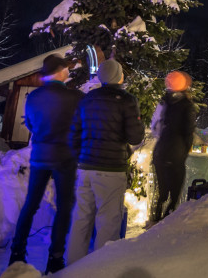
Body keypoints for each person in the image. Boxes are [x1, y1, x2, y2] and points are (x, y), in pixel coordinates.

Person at [8, 54, 84, 273]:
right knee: (64, 206)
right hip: (65, 157)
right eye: (66, 69)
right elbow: (81, 125)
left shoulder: (33, 97)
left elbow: (30, 124)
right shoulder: (75, 97)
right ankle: (55, 258)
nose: (69, 72)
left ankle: (16, 253)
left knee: (31, 203)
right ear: (60, 72)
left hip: (40, 155)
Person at [66, 58, 145, 264]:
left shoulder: (87, 99)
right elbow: (135, 137)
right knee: (108, 222)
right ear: (120, 77)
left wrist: (81, 158)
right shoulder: (127, 100)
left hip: (85, 168)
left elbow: (73, 133)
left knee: (81, 218)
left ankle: (72, 268)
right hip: (111, 169)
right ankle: (101, 270)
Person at [150, 71, 197, 224]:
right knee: (175, 194)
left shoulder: (163, 102)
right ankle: (166, 224)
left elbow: (155, 126)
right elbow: (188, 131)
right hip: (176, 153)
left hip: (160, 152)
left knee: (162, 192)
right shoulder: (187, 106)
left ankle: (155, 221)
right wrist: (184, 150)